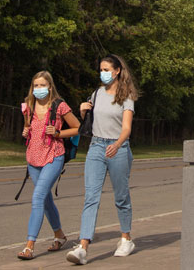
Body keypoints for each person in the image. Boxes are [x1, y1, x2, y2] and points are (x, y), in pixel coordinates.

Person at [65, 54, 139, 265]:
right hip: (96, 147)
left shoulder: (127, 96)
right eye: (101, 70)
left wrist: (117, 144)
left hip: (118, 147)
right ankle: (83, 247)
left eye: (106, 70)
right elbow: (89, 123)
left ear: (117, 71)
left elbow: (126, 128)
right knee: (91, 197)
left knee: (121, 196)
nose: (103, 73)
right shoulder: (97, 93)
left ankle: (126, 239)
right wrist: (82, 111)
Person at [17, 71, 80, 261]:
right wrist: (25, 131)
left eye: (42, 85)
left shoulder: (59, 105)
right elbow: (29, 129)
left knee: (38, 197)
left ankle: (29, 245)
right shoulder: (28, 105)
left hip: (53, 156)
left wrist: (58, 133)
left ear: (50, 87)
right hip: (33, 158)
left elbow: (77, 128)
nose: (39, 89)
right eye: (36, 85)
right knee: (45, 199)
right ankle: (59, 235)